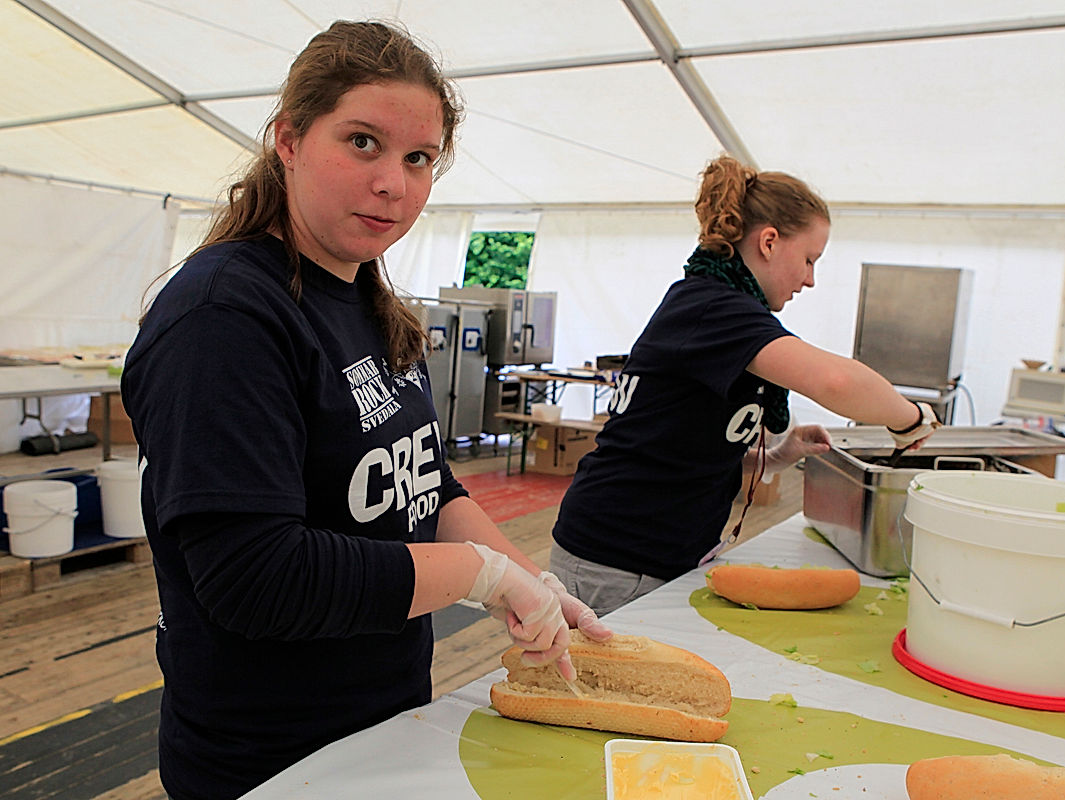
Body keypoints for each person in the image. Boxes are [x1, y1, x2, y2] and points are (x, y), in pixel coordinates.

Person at [121, 21, 608, 800]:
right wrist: (480, 577)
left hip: (383, 726)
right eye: (362, 143)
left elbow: (426, 484)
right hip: (270, 759)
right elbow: (256, 578)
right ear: (288, 139)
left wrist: (529, 581)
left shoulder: (365, 299)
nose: (395, 183)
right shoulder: (224, 317)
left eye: (419, 159)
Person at [549, 154, 939, 616]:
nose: (810, 280)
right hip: (615, 559)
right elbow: (835, 381)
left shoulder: (720, 308)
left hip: (651, 553)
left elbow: (687, 454)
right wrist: (911, 419)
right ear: (769, 241)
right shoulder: (713, 308)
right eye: (809, 260)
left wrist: (778, 457)